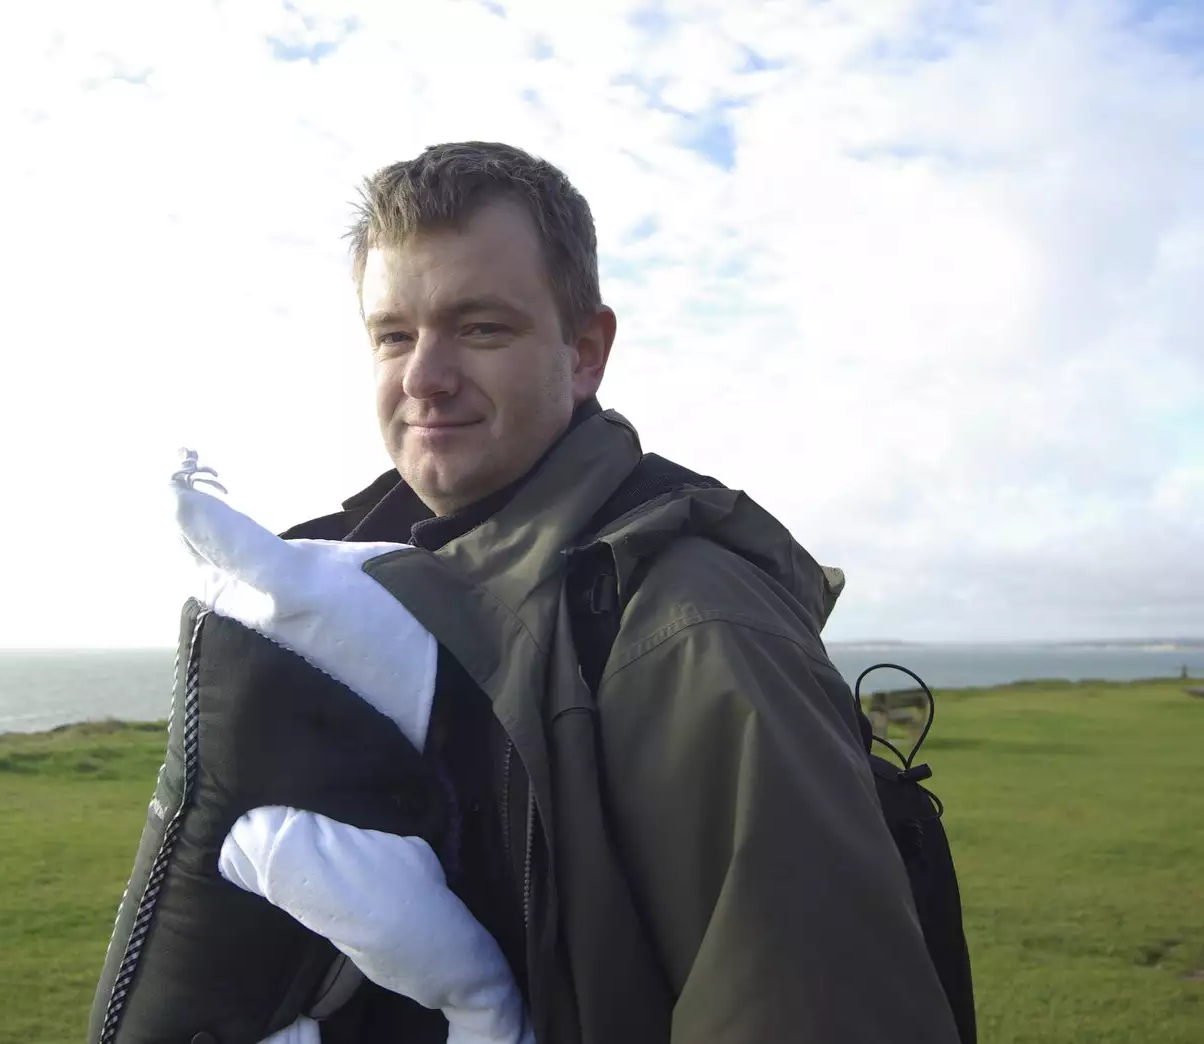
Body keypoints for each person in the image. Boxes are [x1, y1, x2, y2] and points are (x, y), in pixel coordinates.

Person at [277, 141, 964, 1043]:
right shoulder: (365, 595)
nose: (425, 377)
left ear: (587, 351)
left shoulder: (695, 634)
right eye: (394, 335)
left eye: (481, 328)